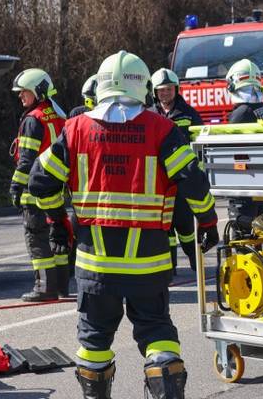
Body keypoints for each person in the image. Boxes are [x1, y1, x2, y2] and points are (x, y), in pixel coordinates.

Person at [28, 50, 219, 399]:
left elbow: (40, 182)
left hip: (95, 265)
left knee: (94, 341)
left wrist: (57, 221)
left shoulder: (75, 129)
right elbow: (193, 181)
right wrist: (207, 221)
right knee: (157, 332)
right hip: (149, 264)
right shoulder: (162, 129)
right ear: (144, 87)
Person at [9, 68, 70, 302]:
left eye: (24, 91)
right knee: (57, 235)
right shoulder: (58, 115)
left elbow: (26, 160)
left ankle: (44, 288)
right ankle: (62, 286)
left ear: (38, 91)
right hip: (56, 188)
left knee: (36, 237)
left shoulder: (33, 119)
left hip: (33, 191)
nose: (20, 96)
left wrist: (16, 187)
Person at [151, 68, 203, 271]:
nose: (165, 93)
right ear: (155, 92)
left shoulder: (189, 114)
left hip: (181, 178)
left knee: (185, 225)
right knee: (164, 227)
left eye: (169, 89)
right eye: (161, 90)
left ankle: (195, 263)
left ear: (176, 90)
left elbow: (199, 145)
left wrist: (196, 175)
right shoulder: (149, 114)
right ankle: (170, 268)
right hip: (159, 180)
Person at [225, 59, 263, 223]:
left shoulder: (241, 114)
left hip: (244, 180)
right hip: (262, 178)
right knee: (258, 226)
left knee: (242, 229)